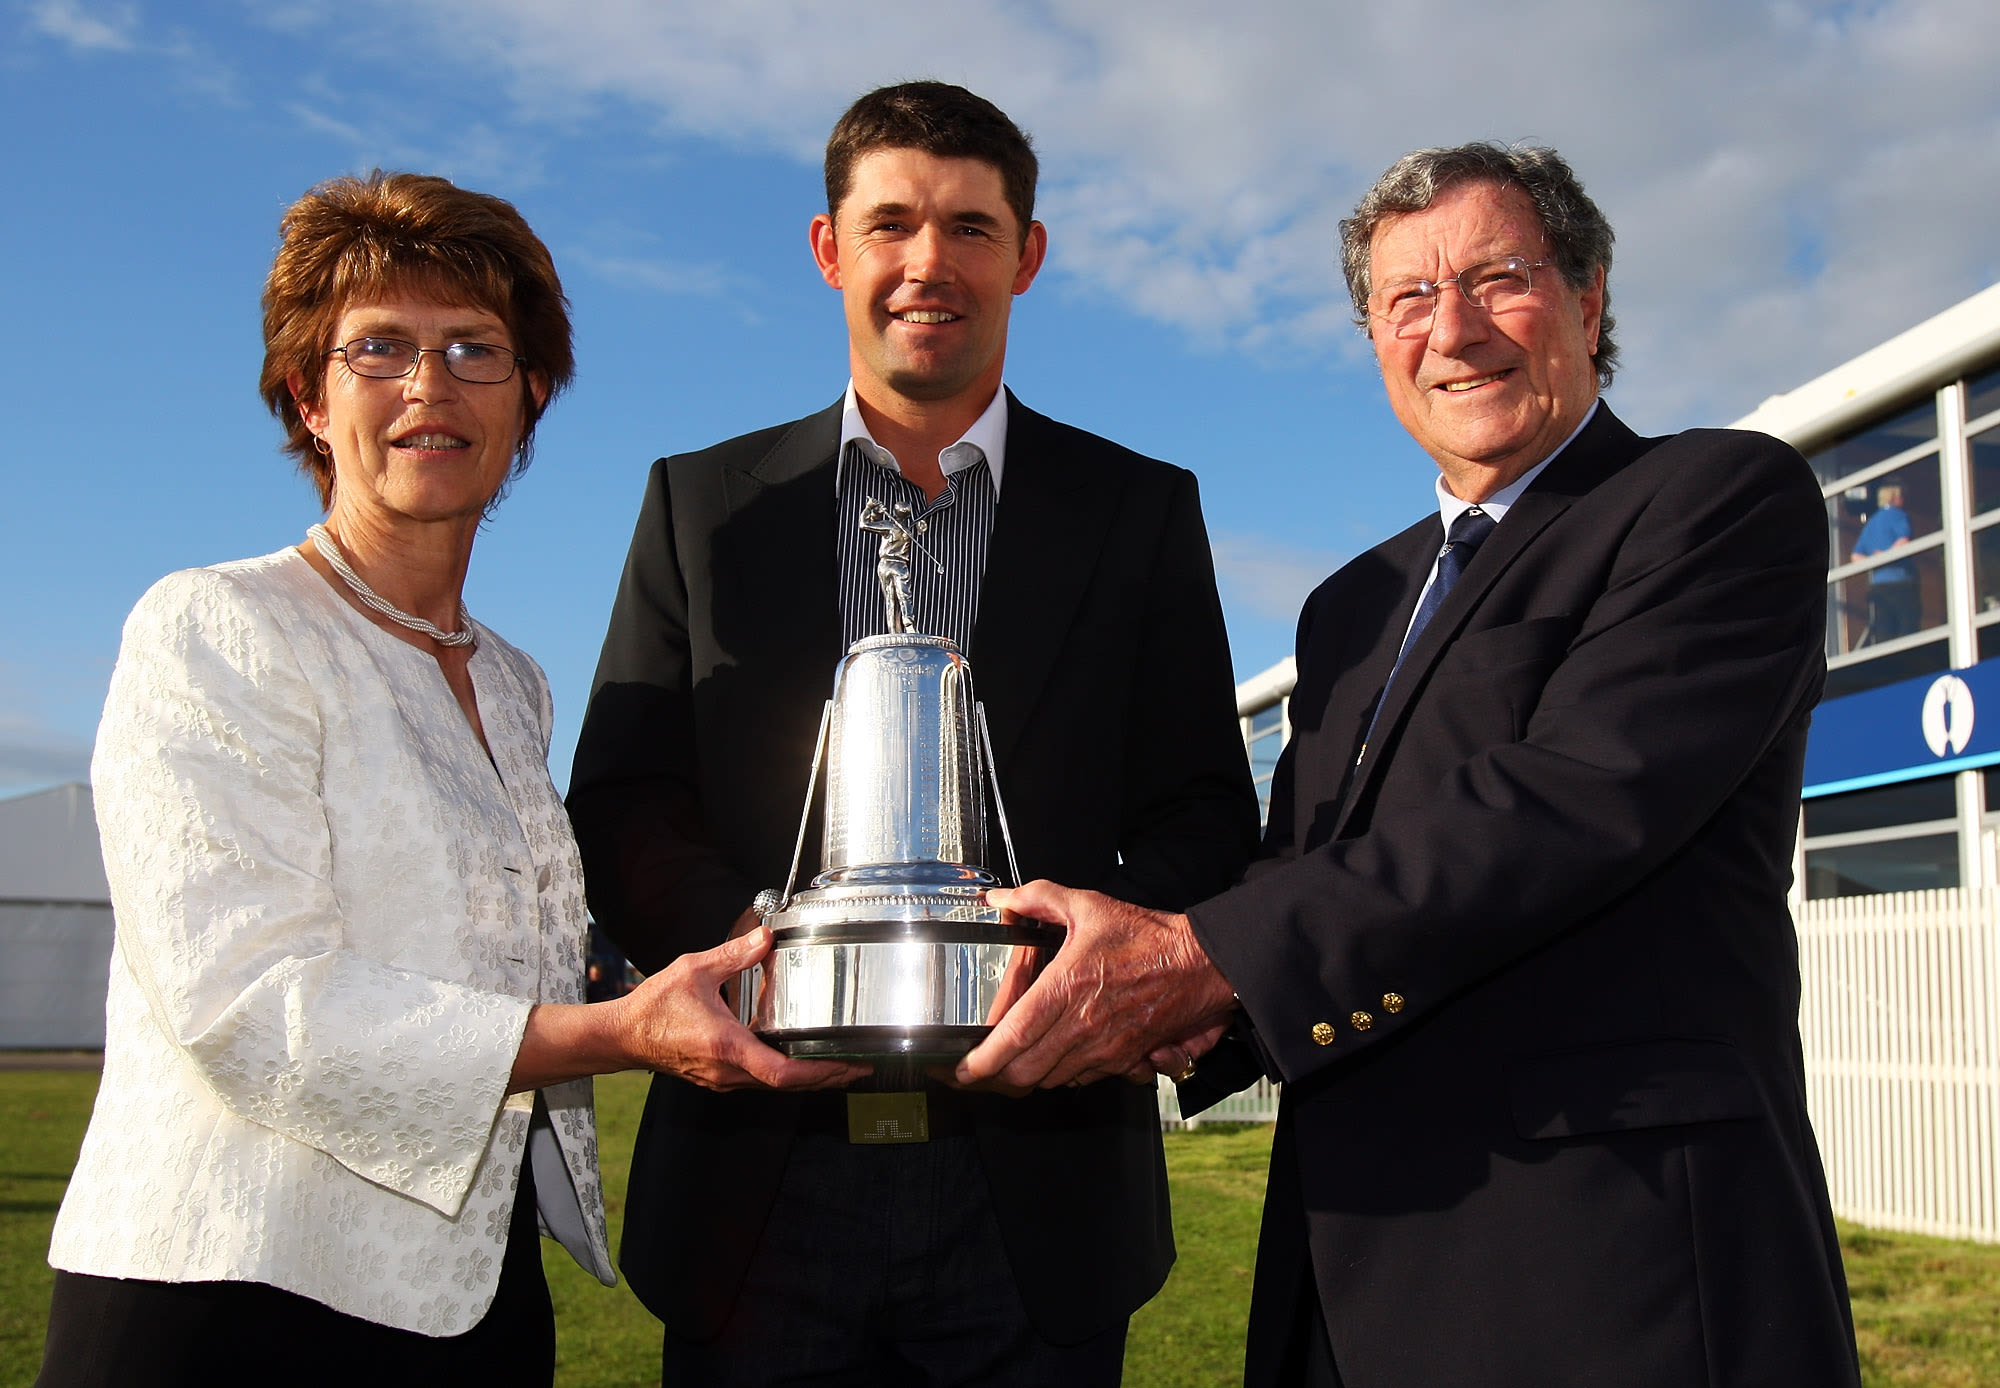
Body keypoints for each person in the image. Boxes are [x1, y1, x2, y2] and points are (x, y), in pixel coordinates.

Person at [960, 142, 1862, 1386]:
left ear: (1589, 300)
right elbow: (1297, 867)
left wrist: (1199, 958)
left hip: (1613, 1263)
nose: (1452, 328)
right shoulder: (1350, 604)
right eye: (1404, 299)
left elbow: (1559, 803)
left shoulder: (1710, 500)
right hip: (1349, 1257)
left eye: (1497, 277)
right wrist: (1121, 970)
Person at [39, 171, 856, 1388]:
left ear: (527, 401)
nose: (430, 384)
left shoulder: (515, 679)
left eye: (475, 348)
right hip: (232, 1292)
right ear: (310, 398)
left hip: (472, 1295)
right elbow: (245, 999)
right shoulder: (212, 625)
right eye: (379, 347)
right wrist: (618, 1031)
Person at [568, 81, 1259, 1385]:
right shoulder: (697, 505)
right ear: (831, 249)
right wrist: (765, 968)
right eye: (889, 224)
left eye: (970, 227)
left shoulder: (1139, 510)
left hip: (1041, 1188)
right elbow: (626, 799)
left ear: (1028, 255)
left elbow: (1206, 810)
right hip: (755, 1191)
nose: (927, 263)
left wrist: (1067, 970)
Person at [1852, 481, 1919, 641]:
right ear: (1894, 497)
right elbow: (1903, 541)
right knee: (1908, 628)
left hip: (1878, 586)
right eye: (1901, 495)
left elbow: (1855, 557)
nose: (1904, 498)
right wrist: (1886, 556)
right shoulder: (1898, 515)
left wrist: (1874, 560)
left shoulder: (1871, 523)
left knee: (1885, 632)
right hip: (1900, 583)